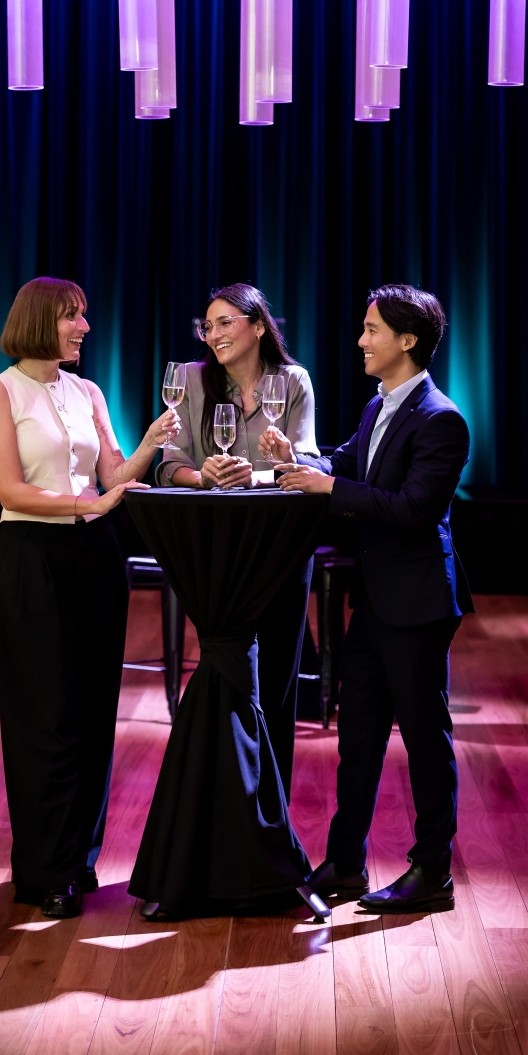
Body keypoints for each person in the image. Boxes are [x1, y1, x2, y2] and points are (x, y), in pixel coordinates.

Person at [0, 276, 177, 920]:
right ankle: (44, 869)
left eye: (84, 316)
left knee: (93, 709)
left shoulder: (87, 390)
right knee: (45, 712)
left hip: (95, 554)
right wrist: (88, 506)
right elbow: (8, 491)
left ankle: (79, 857)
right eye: (73, 316)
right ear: (39, 321)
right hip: (34, 553)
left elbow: (113, 471)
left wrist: (149, 443)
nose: (85, 327)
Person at [268, 284, 472, 915]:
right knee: (356, 736)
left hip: (417, 603)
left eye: (371, 330)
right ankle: (347, 864)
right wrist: (297, 460)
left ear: (407, 341)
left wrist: (329, 487)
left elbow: (414, 510)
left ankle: (433, 872)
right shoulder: (377, 406)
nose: (361, 340)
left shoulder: (442, 419)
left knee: (423, 738)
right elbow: (347, 463)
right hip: (376, 602)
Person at [159, 282, 319, 799]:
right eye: (208, 325)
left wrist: (283, 461)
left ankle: (271, 815)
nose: (214, 333)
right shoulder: (190, 379)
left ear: (257, 326)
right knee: (225, 676)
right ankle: (218, 807)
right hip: (217, 548)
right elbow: (169, 467)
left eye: (226, 322)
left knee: (276, 683)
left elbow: (310, 464)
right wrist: (202, 475)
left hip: (279, 544)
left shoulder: (292, 381)